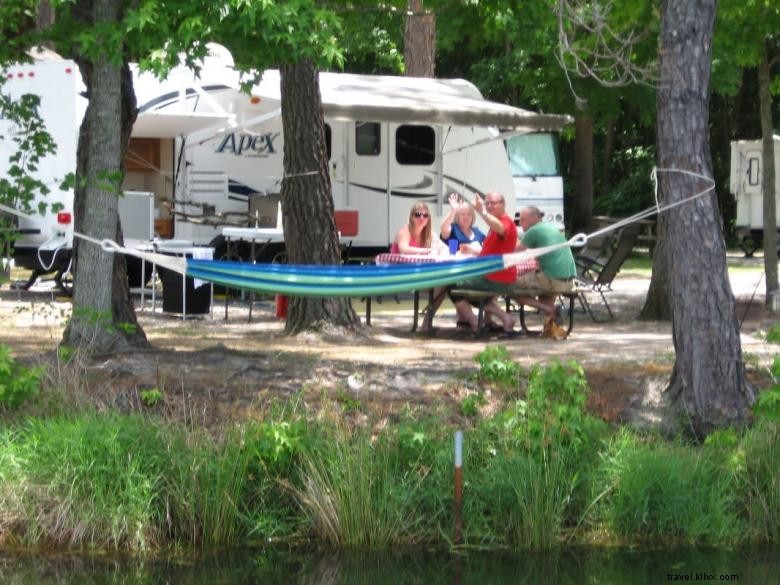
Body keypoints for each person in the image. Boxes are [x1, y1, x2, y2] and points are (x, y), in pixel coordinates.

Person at [425, 192, 518, 334]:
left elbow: (501, 228)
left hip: (495, 276)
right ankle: (502, 318)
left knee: (452, 284)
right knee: (461, 286)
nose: (489, 206)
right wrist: (473, 251)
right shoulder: (487, 228)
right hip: (492, 274)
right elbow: (489, 252)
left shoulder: (504, 223)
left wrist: (482, 211)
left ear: (503, 204)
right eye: (487, 203)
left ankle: (475, 323)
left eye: (493, 203)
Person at [512, 206, 576, 336]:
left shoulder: (534, 231)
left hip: (553, 279)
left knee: (508, 286)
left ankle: (550, 309)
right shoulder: (551, 228)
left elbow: (514, 253)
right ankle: (551, 329)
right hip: (568, 280)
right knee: (544, 294)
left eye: (523, 219)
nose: (520, 223)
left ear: (535, 218)